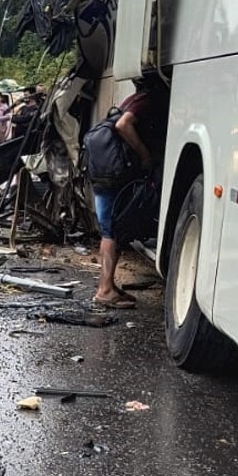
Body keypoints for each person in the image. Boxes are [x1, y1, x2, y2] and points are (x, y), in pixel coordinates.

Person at [89, 75, 168, 309]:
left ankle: (109, 287)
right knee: (111, 232)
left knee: (110, 230)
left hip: (104, 171)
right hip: (116, 174)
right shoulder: (145, 101)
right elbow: (123, 125)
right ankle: (104, 290)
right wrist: (144, 154)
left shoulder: (132, 98)